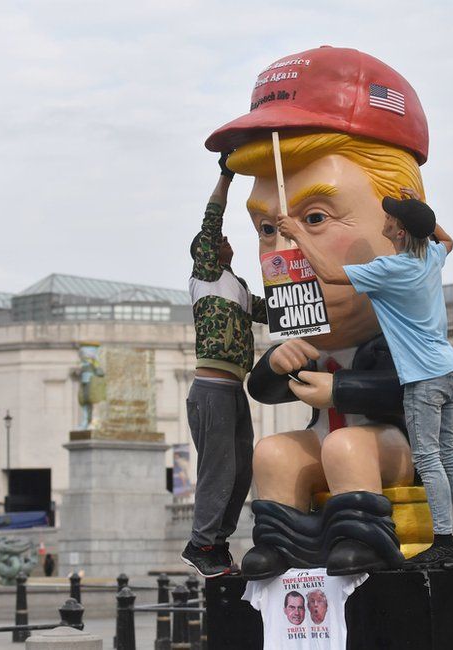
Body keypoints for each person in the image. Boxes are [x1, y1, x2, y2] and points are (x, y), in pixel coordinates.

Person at [210, 46, 453, 580]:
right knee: (276, 452)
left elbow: (400, 391)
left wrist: (340, 393)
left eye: (314, 216)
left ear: (393, 218)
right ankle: (281, 542)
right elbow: (264, 390)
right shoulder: (315, 330)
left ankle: (363, 537)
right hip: (326, 439)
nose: (280, 252)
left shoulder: (395, 321)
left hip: (388, 446)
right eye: (267, 229)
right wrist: (278, 362)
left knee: (351, 444)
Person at [278, 188, 453, 572]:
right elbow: (447, 240)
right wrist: (421, 212)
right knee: (450, 455)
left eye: (391, 217)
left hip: (422, 375)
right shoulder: (431, 256)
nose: (384, 220)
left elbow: (330, 274)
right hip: (448, 367)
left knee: (428, 458)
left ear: (400, 233)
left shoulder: (394, 269)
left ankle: (444, 543)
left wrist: (297, 233)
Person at [179, 155, 268, 578]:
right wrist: (226, 175)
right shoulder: (207, 275)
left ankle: (217, 543)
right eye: (218, 240)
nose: (226, 240)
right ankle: (199, 544)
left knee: (241, 470)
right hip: (212, 389)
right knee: (219, 470)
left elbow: (277, 313)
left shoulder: (239, 288)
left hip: (234, 390)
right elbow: (212, 218)